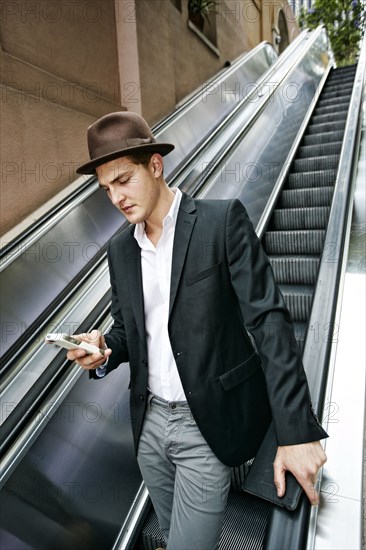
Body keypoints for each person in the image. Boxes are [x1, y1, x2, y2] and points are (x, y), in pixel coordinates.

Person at [68, 111, 327, 550]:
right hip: (148, 425)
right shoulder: (120, 249)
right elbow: (129, 331)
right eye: (107, 188)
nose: (116, 198)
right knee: (170, 536)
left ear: (154, 165)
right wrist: (103, 350)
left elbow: (269, 322)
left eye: (123, 180)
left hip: (205, 424)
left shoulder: (220, 222)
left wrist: (297, 431)